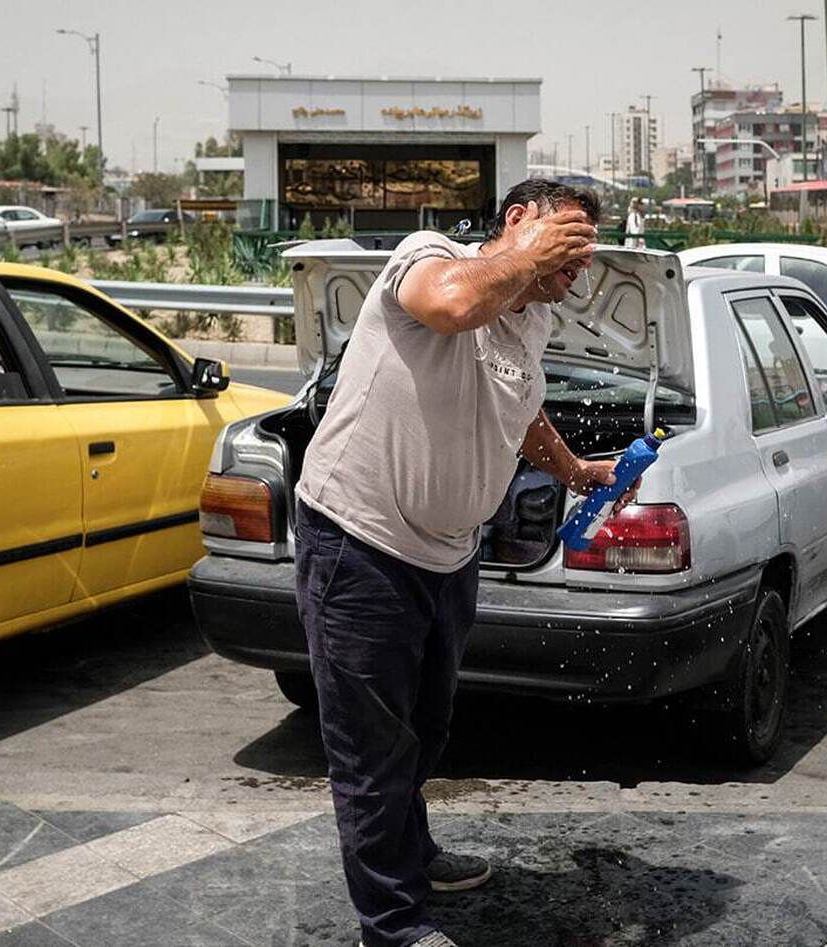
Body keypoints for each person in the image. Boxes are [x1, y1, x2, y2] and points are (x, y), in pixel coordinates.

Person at [294, 180, 634, 947]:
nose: (576, 267)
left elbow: (517, 408)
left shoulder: (533, 316)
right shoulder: (428, 257)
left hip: (447, 557)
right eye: (566, 243)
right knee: (372, 750)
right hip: (360, 544)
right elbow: (452, 306)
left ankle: (409, 855)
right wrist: (523, 257)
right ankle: (392, 925)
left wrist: (576, 468)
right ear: (519, 220)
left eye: (584, 255)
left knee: (425, 726)